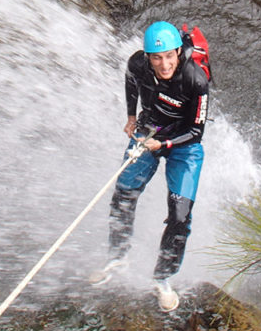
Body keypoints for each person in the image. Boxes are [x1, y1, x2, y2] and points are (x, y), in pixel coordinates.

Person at [89, 21, 210, 313]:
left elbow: (197, 132)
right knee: (123, 193)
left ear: (178, 51)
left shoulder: (195, 79)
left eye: (169, 56)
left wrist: (165, 146)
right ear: (147, 57)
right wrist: (131, 116)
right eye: (157, 58)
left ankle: (163, 278)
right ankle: (117, 257)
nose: (164, 63)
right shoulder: (137, 64)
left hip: (183, 144)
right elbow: (130, 81)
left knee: (180, 216)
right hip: (149, 129)